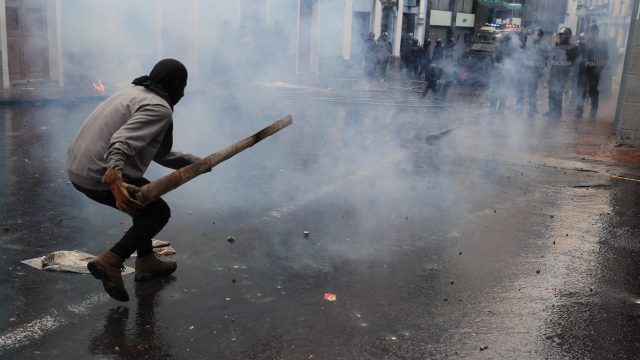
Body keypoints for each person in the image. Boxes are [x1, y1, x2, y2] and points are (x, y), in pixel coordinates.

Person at [67, 59, 202, 302]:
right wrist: (116, 179)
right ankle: (111, 260)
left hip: (78, 167)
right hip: (99, 172)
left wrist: (192, 161)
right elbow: (121, 142)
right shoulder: (159, 108)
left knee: (144, 200)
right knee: (157, 212)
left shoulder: (135, 91)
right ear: (178, 88)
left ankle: (146, 262)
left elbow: (159, 152)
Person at [574, 23, 608, 120]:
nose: (589, 34)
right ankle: (579, 110)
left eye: (591, 32)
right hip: (583, 69)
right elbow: (577, 54)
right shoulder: (584, 41)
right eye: (589, 31)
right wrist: (580, 44)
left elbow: (605, 57)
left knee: (593, 91)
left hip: (594, 70)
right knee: (581, 91)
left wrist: (598, 66)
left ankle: (593, 112)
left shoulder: (602, 43)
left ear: (596, 32)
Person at [544, 27, 578, 119]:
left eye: (563, 35)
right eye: (560, 35)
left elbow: (572, 62)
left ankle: (557, 113)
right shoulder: (556, 45)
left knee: (558, 93)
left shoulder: (573, 48)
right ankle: (551, 110)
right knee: (551, 93)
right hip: (554, 72)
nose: (561, 37)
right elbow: (551, 58)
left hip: (563, 74)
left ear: (568, 36)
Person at [519, 28, 546, 118]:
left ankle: (532, 109)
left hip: (534, 72)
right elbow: (521, 53)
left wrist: (539, 72)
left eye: (538, 35)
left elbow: (544, 62)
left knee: (532, 91)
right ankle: (518, 108)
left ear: (541, 37)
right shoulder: (527, 44)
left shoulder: (542, 47)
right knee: (520, 90)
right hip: (524, 70)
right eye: (534, 34)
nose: (535, 36)